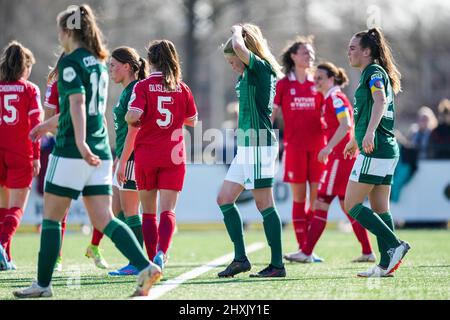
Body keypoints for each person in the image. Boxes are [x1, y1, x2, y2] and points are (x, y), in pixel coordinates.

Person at [13, 4, 161, 298]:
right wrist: (47, 126)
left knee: (53, 218)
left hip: (72, 150)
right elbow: (82, 109)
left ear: (68, 31)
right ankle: (145, 266)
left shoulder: (70, 62)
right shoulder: (98, 62)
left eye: (60, 30)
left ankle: (42, 285)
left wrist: (78, 143)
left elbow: (78, 104)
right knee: (104, 218)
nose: (59, 36)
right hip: (101, 150)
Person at [217, 23, 286, 278]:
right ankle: (240, 259)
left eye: (233, 61)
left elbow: (237, 44)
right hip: (246, 145)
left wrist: (237, 30)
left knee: (263, 202)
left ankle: (277, 265)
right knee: (224, 198)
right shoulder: (246, 73)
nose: (232, 65)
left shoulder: (260, 67)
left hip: (260, 144)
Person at [125, 39, 198, 272]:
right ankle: (161, 254)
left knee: (147, 211)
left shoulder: (143, 86)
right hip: (174, 154)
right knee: (168, 210)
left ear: (150, 60)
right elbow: (193, 121)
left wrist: (133, 116)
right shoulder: (182, 87)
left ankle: (151, 261)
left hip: (147, 153)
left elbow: (133, 114)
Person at [292, 62, 375, 263]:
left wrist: (328, 147)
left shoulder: (336, 99)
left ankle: (306, 252)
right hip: (342, 159)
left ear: (331, 79)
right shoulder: (330, 98)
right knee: (348, 206)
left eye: (320, 77)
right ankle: (367, 252)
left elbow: (346, 124)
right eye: (315, 77)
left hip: (339, 159)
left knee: (321, 201)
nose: (316, 81)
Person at [344, 27, 410, 278]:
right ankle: (386, 265)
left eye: (353, 48)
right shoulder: (372, 73)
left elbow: (380, 101)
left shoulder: (373, 71)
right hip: (385, 148)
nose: (348, 52)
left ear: (367, 51)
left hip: (376, 147)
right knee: (380, 207)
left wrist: (369, 134)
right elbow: (369, 109)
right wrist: (355, 139)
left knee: (351, 204)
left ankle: (394, 245)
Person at [272, 36, 326, 262]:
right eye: (305, 52)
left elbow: (329, 112)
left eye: (311, 53)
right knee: (298, 199)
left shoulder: (318, 81)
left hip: (319, 148)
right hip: (293, 148)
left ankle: (308, 250)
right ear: (293, 56)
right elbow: (272, 114)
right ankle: (302, 248)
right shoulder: (284, 83)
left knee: (315, 201)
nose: (309, 56)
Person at [106, 46, 149, 276]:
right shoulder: (126, 90)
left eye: (113, 65)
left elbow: (134, 129)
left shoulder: (135, 89)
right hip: (123, 156)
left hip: (131, 157)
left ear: (127, 67)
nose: (110, 70)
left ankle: (139, 263)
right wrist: (117, 158)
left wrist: (123, 161)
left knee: (131, 211)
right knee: (113, 211)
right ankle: (140, 257)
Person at [0, 41, 43, 270]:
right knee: (16, 209)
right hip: (20, 154)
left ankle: (5, 258)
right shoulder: (29, 89)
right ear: (24, 67)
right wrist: (36, 155)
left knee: (3, 209)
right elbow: (36, 124)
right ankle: (1, 244)